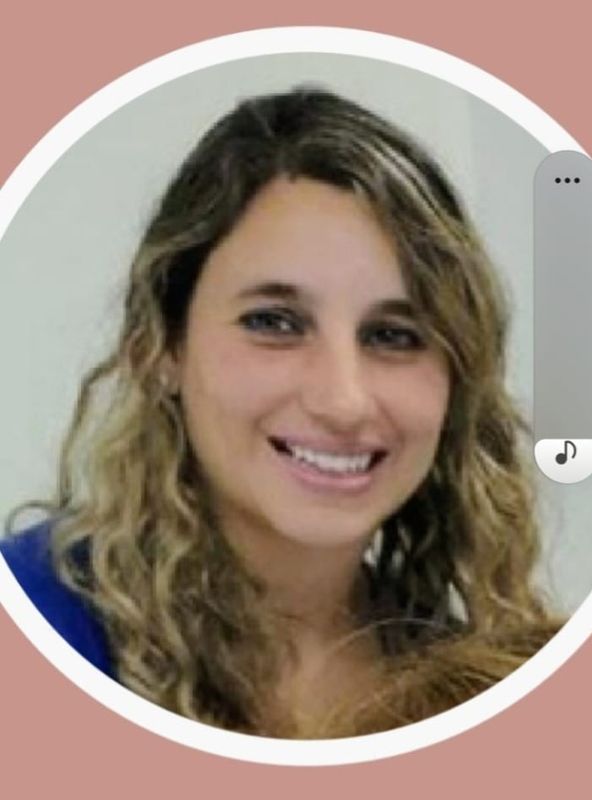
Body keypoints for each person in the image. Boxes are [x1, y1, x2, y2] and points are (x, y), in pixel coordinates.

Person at [1, 87, 560, 739]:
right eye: (274, 322)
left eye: (394, 335)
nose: (343, 401)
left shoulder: (477, 687)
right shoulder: (31, 616)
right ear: (160, 349)